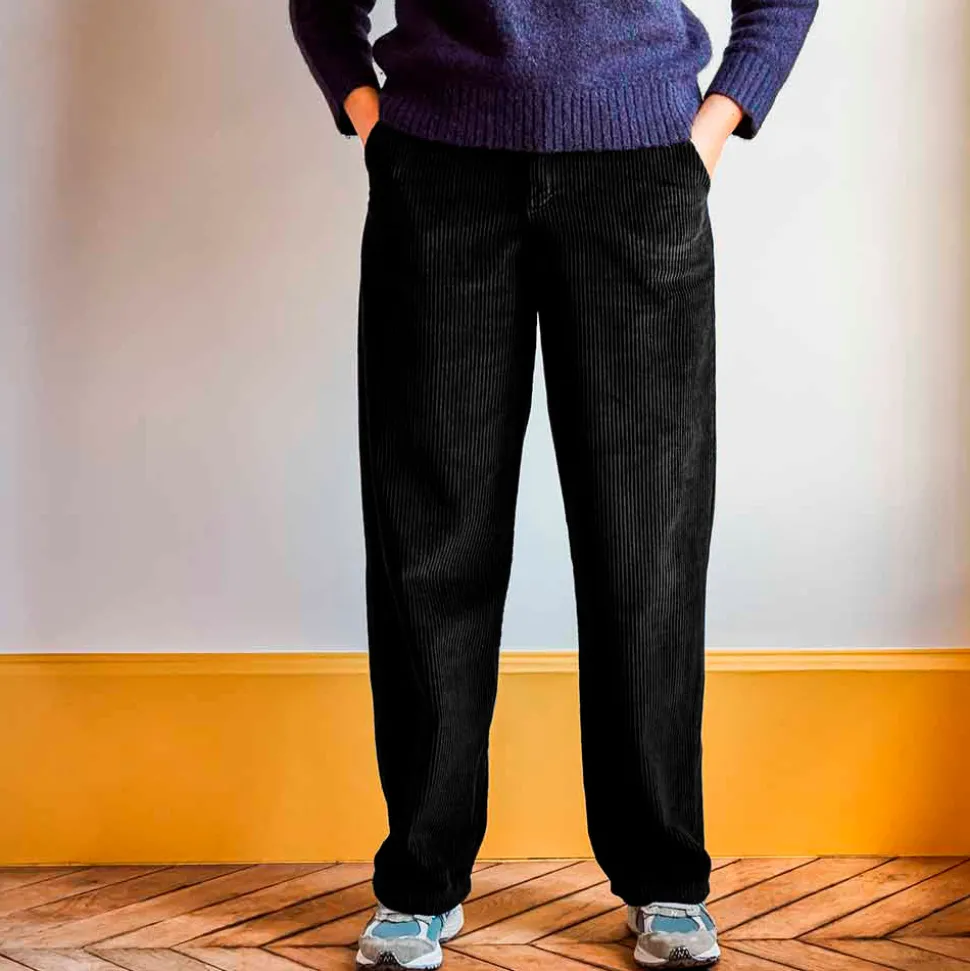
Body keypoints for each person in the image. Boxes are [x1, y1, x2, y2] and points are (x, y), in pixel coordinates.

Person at [290, 0, 817, 966]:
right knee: (429, 541)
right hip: (438, 170)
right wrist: (373, 123)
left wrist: (710, 131)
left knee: (645, 541)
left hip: (641, 171)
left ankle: (664, 876)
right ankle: (419, 880)